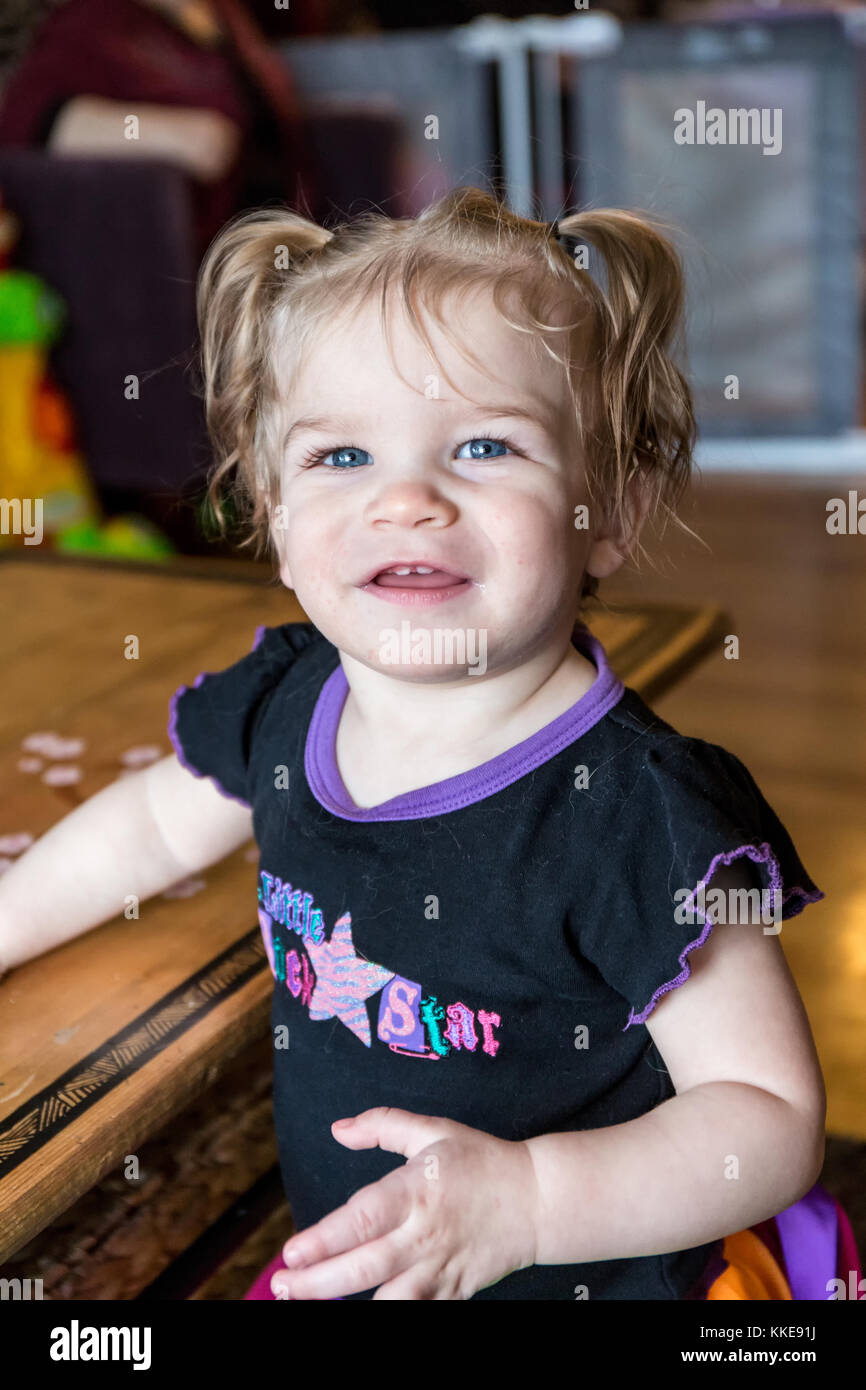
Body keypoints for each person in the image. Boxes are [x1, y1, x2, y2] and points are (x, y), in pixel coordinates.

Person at [0, 186, 858, 1302]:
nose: (406, 499)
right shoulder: (290, 698)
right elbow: (156, 823)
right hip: (369, 1258)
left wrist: (529, 1202)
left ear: (609, 509)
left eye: (484, 444)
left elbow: (769, 1119)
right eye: (341, 457)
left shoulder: (640, 816)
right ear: (269, 509)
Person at [0, 0, 322, 258]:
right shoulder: (96, 20)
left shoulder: (226, 14)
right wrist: (166, 135)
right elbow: (29, 119)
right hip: (205, 248)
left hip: (287, 230)